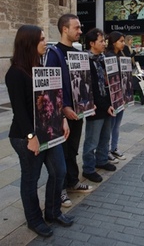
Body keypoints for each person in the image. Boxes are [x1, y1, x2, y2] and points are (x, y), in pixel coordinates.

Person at [5, 25, 73, 238]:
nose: (46, 43)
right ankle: (34, 220)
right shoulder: (15, 73)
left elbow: (53, 98)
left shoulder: (40, 66)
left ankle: (53, 212)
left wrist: (62, 119)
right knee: (31, 178)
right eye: (42, 39)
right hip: (26, 135)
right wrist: (30, 137)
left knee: (59, 171)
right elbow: (20, 111)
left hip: (49, 131)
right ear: (29, 43)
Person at [45, 14, 93, 208]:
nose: (80, 31)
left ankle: (72, 181)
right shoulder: (54, 53)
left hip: (78, 111)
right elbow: (50, 86)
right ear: (65, 29)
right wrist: (63, 107)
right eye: (77, 27)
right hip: (62, 114)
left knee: (72, 149)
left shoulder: (77, 54)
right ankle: (61, 189)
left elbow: (83, 83)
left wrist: (89, 102)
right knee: (62, 152)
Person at [82, 28, 116, 183]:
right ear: (91, 43)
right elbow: (91, 88)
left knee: (105, 136)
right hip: (95, 107)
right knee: (92, 140)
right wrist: (103, 105)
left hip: (108, 103)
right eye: (101, 41)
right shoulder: (85, 62)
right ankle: (88, 169)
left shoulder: (103, 59)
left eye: (104, 41)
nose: (104, 44)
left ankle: (102, 160)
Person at [105, 31, 127, 162]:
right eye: (121, 41)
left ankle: (114, 147)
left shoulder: (122, 55)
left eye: (124, 41)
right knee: (111, 124)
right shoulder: (109, 57)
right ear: (114, 42)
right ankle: (107, 149)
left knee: (117, 124)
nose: (123, 44)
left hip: (121, 94)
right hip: (113, 95)